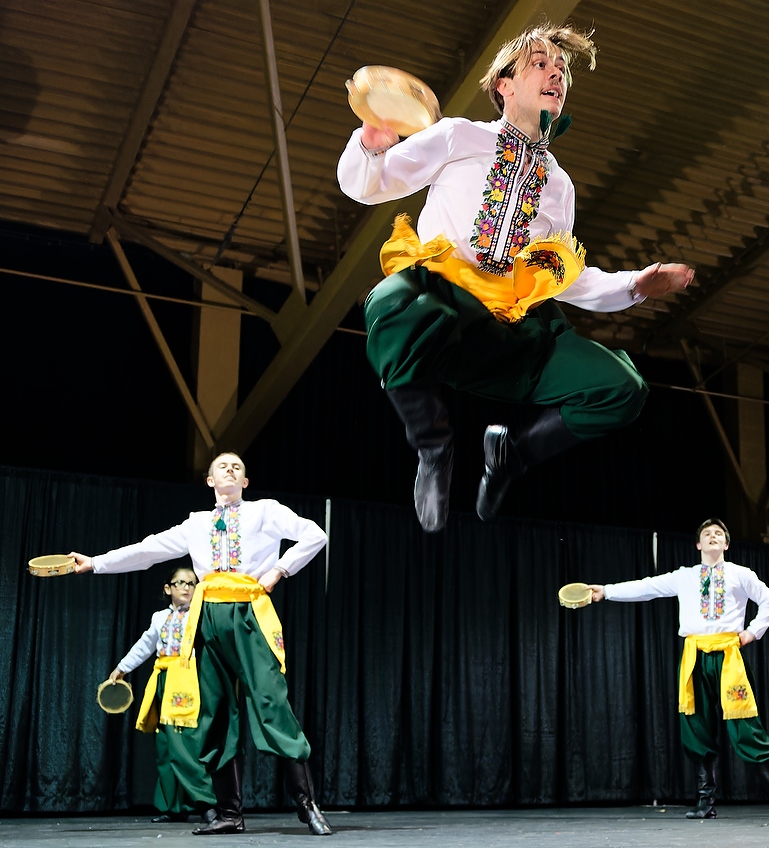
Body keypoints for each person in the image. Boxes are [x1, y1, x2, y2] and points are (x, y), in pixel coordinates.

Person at [337, 21, 694, 533]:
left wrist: (635, 285)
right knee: (393, 298)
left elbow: (564, 277)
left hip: (511, 334)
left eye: (562, 68)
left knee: (622, 388)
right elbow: (369, 185)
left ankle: (512, 455)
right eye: (540, 64)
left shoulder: (560, 186)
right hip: (442, 311)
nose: (556, 74)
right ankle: (434, 448)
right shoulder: (459, 135)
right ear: (503, 85)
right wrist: (372, 144)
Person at [70, 452, 333, 836]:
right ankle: (229, 813)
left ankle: (307, 806)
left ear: (245, 481)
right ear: (210, 480)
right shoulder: (196, 524)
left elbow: (315, 534)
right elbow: (147, 550)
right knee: (215, 712)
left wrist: (280, 569)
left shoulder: (264, 511)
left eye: (238, 466)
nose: (230, 469)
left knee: (271, 703)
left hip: (248, 615)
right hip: (207, 618)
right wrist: (95, 562)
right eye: (222, 466)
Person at [587, 518, 769, 820]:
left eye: (718, 533)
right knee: (696, 725)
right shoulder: (685, 577)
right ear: (698, 544)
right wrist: (607, 591)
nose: (713, 536)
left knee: (745, 725)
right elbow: (647, 587)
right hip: (694, 657)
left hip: (728, 658)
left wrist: (752, 632)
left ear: (726, 544)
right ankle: (705, 802)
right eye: (707, 533)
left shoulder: (741, 574)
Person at [109, 565, 215, 824]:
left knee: (185, 743)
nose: (186, 588)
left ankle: (205, 803)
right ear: (168, 588)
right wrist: (122, 668)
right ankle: (174, 805)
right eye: (180, 583)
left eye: (191, 583)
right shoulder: (159, 617)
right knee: (166, 745)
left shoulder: (202, 613)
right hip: (164, 680)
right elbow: (145, 645)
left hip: (188, 680)